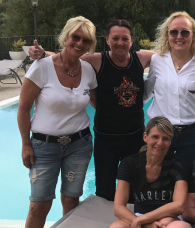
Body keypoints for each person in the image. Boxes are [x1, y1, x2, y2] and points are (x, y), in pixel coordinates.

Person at [5, 17, 97, 228]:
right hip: (44, 145)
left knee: (71, 199)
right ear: (65, 37)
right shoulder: (42, 67)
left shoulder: (87, 70)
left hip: (79, 144)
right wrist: (25, 144)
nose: (79, 43)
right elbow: (23, 108)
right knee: (39, 204)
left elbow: (98, 103)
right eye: (75, 37)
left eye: (85, 40)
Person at [29, 19, 154, 201]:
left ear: (131, 41)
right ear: (107, 40)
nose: (120, 43)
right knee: (105, 191)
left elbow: (171, 55)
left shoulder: (141, 58)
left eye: (125, 39)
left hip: (135, 138)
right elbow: (67, 55)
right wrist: (43, 53)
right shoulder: (97, 60)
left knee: (135, 189)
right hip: (106, 139)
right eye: (115, 38)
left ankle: (131, 219)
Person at [144, 12, 195, 161]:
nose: (179, 37)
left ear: (193, 35)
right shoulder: (157, 61)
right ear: (167, 35)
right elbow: (145, 95)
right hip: (159, 133)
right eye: (174, 32)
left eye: (185, 32)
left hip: (190, 137)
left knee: (190, 175)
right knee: (157, 175)